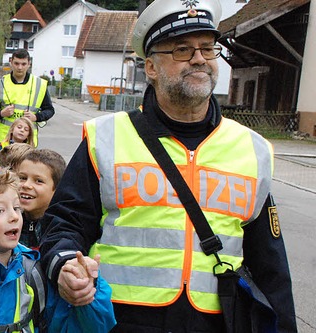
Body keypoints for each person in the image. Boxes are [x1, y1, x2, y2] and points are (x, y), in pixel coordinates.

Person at [39, 0, 297, 332]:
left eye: (207, 48)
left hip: (217, 322)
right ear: (150, 67)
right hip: (120, 319)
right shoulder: (105, 137)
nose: (200, 59)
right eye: (182, 50)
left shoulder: (252, 148)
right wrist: (63, 266)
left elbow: (271, 265)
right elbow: (64, 223)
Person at [0, 169, 116, 333]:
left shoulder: (36, 274)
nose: (14, 217)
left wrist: (88, 290)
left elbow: (83, 327)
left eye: (17, 208)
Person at [0, 48, 54, 147]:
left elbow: (50, 110)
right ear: (11, 62)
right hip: (5, 139)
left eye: (23, 64)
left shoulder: (39, 84)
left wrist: (36, 117)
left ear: (29, 64)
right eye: (16, 63)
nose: (20, 67)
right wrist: (1, 113)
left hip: (28, 140)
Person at [17, 149, 65, 250]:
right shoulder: (7, 222)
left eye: (38, 181)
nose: (26, 185)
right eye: (22, 178)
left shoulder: (61, 227)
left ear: (57, 189)